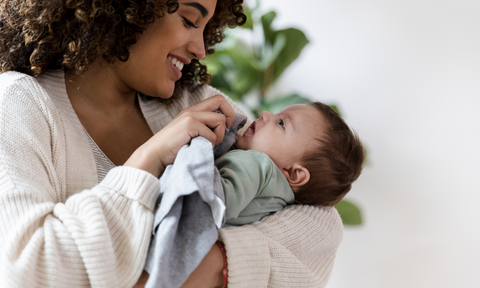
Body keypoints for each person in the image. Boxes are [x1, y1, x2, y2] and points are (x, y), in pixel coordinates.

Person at [0, 1, 346, 288]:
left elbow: (320, 225)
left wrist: (207, 266)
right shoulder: (19, 103)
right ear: (127, 8)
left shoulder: (194, 101)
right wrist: (148, 159)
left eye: (206, 28)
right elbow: (26, 269)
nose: (200, 47)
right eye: (189, 20)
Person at [214, 102, 365, 226]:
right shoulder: (277, 202)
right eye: (277, 114)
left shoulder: (259, 165)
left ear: (294, 173)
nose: (264, 114)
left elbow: (215, 202)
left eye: (281, 123)